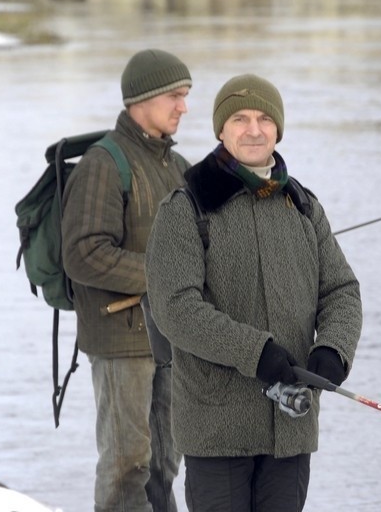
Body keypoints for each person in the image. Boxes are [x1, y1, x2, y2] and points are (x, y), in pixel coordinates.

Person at [144, 73, 363, 511]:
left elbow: (341, 290)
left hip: (291, 428)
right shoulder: (185, 208)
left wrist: (334, 351)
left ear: (278, 129)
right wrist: (255, 352)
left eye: (265, 119)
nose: (254, 129)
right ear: (221, 130)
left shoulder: (303, 206)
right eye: (240, 119)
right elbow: (176, 309)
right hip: (216, 428)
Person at [61, 48, 192, 512]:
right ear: (143, 99)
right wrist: (163, 276)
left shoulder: (175, 167)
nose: (184, 106)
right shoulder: (103, 163)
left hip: (171, 340)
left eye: (186, 95)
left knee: (165, 465)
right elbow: (82, 254)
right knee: (126, 464)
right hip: (119, 341)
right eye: (175, 96)